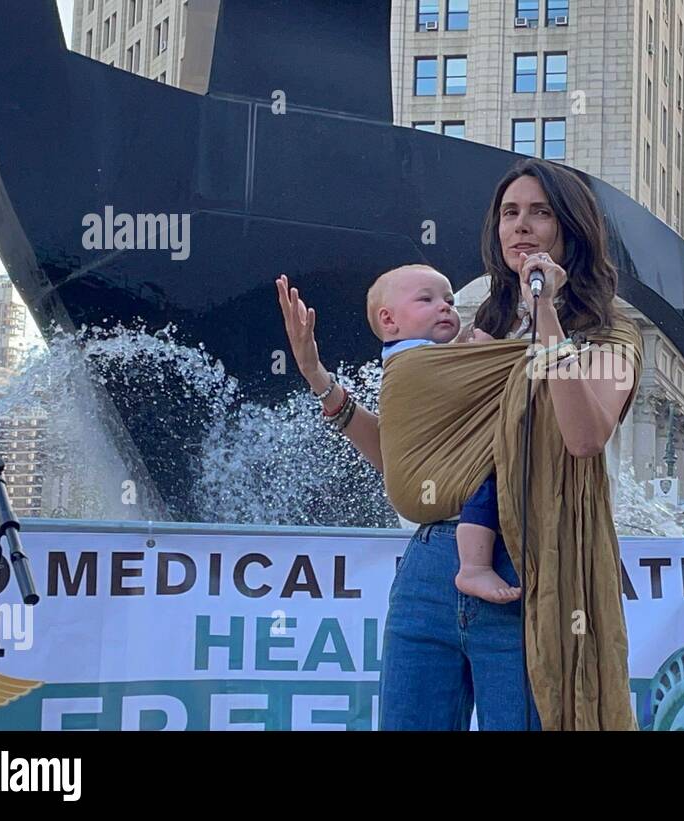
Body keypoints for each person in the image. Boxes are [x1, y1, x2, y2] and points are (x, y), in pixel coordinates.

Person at [275, 157, 642, 730]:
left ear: (571, 229)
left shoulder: (610, 332)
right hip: (429, 569)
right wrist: (320, 380)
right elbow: (410, 457)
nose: (520, 226)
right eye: (509, 213)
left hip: (528, 575)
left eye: (540, 213)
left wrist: (545, 310)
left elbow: (585, 436)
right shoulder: (477, 326)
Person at [363, 263, 518, 604]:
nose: (445, 306)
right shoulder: (413, 360)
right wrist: (487, 352)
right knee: (487, 481)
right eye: (427, 299)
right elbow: (517, 364)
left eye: (448, 299)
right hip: (441, 490)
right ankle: (474, 566)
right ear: (389, 321)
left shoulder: (420, 355)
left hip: (429, 486)